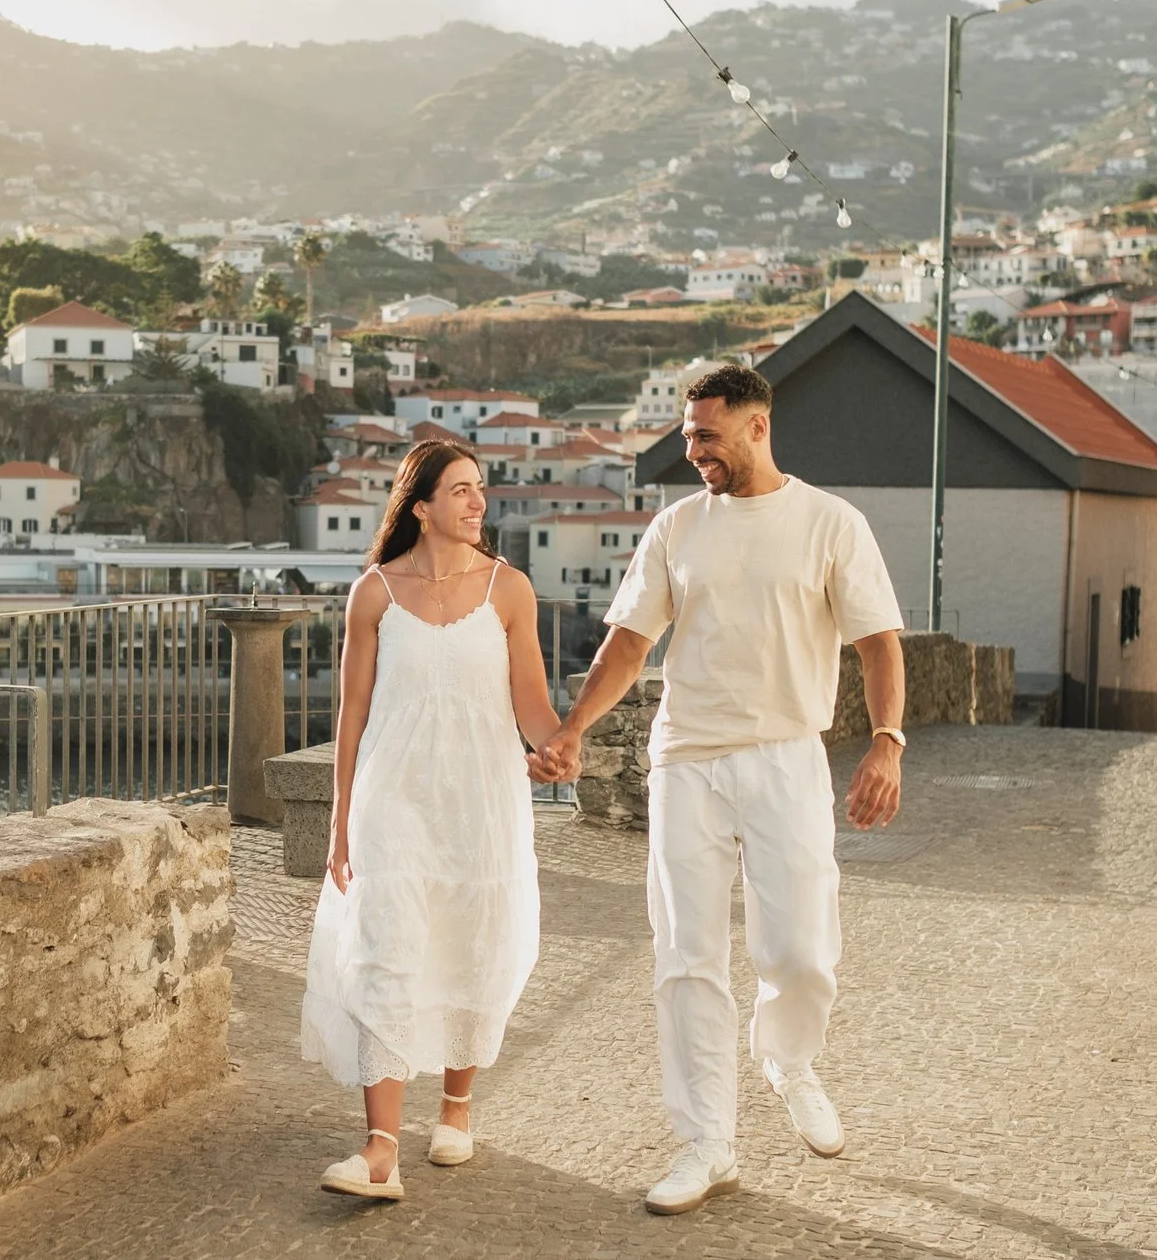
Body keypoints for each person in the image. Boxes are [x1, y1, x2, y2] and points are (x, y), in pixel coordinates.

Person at [536, 364, 906, 1215]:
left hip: (785, 756)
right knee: (686, 954)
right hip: (687, 762)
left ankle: (787, 1057)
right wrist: (572, 729)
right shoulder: (675, 528)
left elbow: (880, 643)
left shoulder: (829, 523)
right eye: (688, 435)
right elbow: (628, 646)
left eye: (706, 434)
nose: (691, 449)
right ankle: (708, 1140)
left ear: (757, 427)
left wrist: (886, 742)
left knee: (801, 947)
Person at [303, 440, 562, 1201]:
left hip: (481, 801)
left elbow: (533, 707)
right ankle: (380, 1150)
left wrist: (559, 748)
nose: (477, 502)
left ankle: (456, 1105)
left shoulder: (510, 591)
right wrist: (339, 822)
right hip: (394, 801)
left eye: (479, 489)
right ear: (420, 507)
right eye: (459, 491)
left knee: (473, 943)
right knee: (388, 953)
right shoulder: (374, 594)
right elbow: (350, 718)